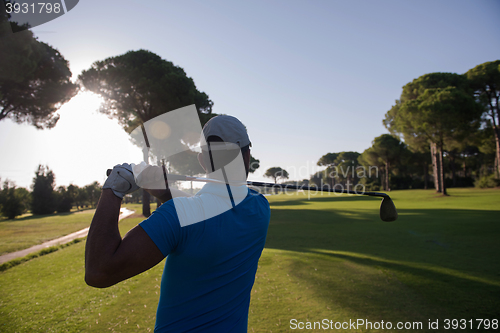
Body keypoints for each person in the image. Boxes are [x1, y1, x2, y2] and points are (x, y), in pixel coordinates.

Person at [85, 115, 271, 332]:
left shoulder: (178, 216)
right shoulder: (260, 209)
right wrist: (164, 191)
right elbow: (203, 211)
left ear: (202, 161)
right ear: (247, 155)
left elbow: (99, 271)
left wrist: (113, 189)